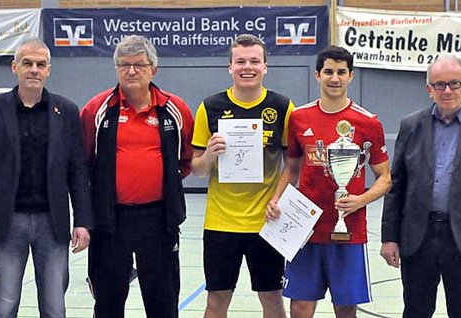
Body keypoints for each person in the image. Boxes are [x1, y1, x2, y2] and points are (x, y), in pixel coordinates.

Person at [265, 46, 391, 318]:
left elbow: (384, 178)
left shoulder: (368, 122)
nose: (335, 78)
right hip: (305, 229)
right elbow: (291, 168)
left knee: (345, 309)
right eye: (329, 72)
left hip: (349, 229)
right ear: (317, 75)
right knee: (299, 307)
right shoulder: (299, 118)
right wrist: (276, 200)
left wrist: (360, 200)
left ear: (351, 76)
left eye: (341, 72)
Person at [0, 37, 92, 318]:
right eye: (27, 63)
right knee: (4, 306)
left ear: (49, 70)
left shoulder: (67, 111)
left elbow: (77, 170)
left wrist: (83, 222)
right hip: (6, 224)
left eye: (40, 64)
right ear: (15, 67)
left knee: (54, 308)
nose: (34, 69)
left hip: (53, 224)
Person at [380, 55, 461, 318]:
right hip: (418, 236)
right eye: (439, 85)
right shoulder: (411, 126)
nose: (447, 90)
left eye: (454, 83)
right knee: (416, 310)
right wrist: (389, 237)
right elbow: (397, 188)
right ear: (429, 89)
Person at [80, 35, 194, 318]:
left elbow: (186, 160)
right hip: (109, 222)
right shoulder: (97, 109)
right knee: (107, 303)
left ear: (153, 70)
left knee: (163, 302)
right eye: (124, 65)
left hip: (159, 220)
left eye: (139, 65)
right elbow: (82, 164)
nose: (132, 71)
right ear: (116, 69)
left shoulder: (174, 109)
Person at [191, 34, 294, 318]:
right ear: (230, 67)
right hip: (221, 222)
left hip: (267, 222)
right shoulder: (209, 107)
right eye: (240, 61)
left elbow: (292, 165)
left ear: (265, 67)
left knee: (272, 298)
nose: (247, 67)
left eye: (254, 61)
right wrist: (210, 154)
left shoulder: (283, 107)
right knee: (216, 300)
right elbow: (196, 169)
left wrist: (277, 199)